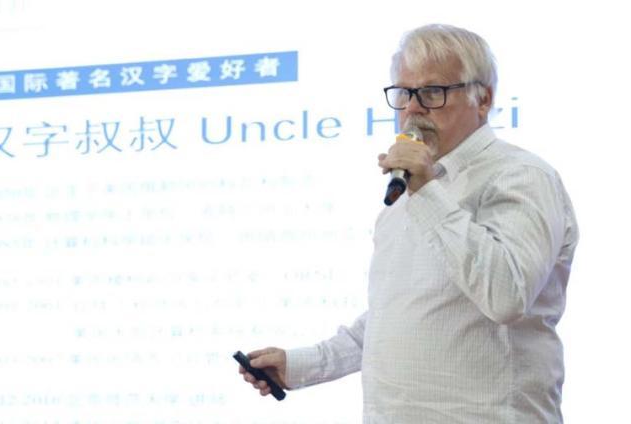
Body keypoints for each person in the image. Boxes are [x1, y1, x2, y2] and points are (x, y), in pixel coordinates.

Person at [238, 23, 579, 423]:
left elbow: (506, 295)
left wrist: (427, 191)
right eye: (403, 93)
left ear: (483, 98)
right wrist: (301, 365)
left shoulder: (520, 176)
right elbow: (397, 315)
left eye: (432, 92)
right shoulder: (406, 196)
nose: (413, 108)